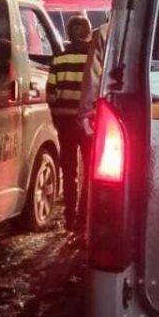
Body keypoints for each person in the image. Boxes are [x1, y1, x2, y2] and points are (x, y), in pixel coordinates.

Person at [46, 16, 98, 234]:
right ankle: (83, 220)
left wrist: (58, 118)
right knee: (89, 171)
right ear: (88, 32)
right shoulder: (94, 58)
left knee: (69, 172)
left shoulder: (58, 58)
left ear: (68, 33)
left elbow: (50, 95)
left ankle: (69, 219)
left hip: (65, 124)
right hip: (88, 124)